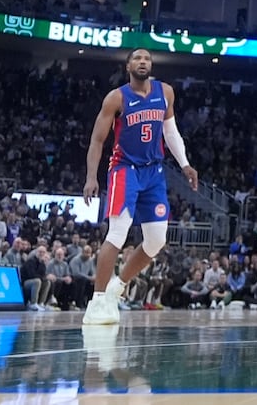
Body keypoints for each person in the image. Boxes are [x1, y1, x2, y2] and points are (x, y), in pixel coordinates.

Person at [81, 48, 200, 325]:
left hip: (154, 172)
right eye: (137, 58)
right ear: (128, 66)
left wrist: (184, 164)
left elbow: (171, 132)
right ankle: (97, 301)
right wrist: (91, 177)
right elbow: (97, 141)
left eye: (147, 58)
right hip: (125, 170)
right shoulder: (116, 98)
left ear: (152, 65)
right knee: (118, 233)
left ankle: (117, 287)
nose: (143, 62)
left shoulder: (165, 92)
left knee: (157, 240)